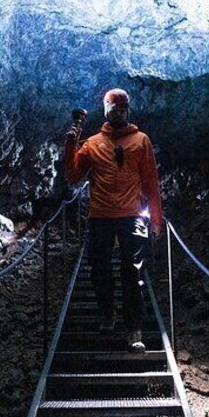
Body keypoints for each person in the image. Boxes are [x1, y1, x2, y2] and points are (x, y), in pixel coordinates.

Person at [63, 88, 163, 353]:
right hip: (100, 215)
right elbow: (74, 175)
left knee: (133, 272)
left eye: (122, 109)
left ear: (127, 111)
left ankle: (134, 330)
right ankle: (108, 312)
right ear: (106, 111)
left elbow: (151, 180)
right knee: (99, 270)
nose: (118, 113)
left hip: (131, 215)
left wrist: (155, 219)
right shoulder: (93, 143)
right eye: (114, 109)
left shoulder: (141, 141)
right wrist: (71, 144)